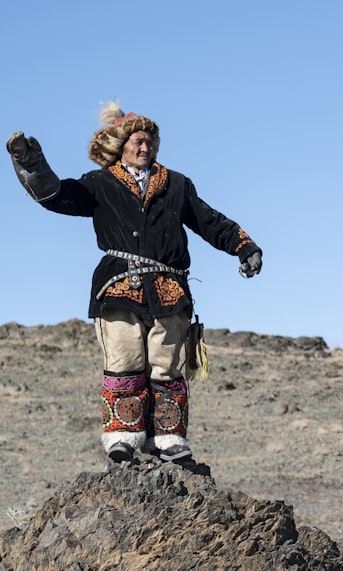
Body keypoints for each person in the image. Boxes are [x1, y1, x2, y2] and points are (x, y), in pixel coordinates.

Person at [6, 100, 262, 464]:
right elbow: (57, 196)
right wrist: (32, 164)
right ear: (121, 144)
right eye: (138, 141)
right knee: (124, 359)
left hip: (170, 292)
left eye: (151, 141)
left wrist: (244, 246)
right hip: (118, 290)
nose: (146, 148)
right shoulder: (99, 183)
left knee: (167, 364)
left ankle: (169, 438)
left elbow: (209, 220)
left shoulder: (177, 184)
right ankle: (122, 437)